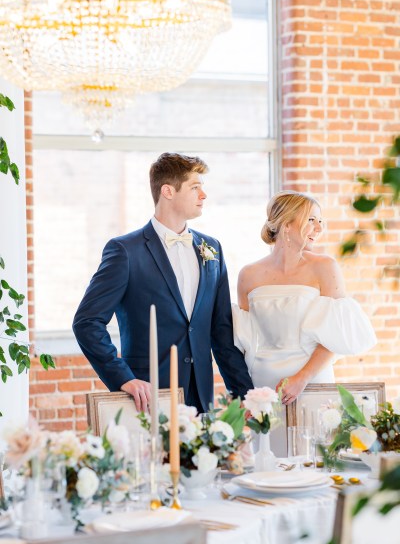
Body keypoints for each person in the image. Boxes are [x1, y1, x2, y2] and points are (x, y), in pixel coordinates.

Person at [73, 152, 253, 414]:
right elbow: (87, 322)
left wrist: (246, 395)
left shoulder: (212, 248)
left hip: (202, 397)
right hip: (149, 395)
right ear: (168, 191)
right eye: (195, 188)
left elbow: (221, 331)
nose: (203, 196)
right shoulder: (125, 251)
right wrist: (122, 377)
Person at [233, 190, 377, 454]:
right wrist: (244, 395)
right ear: (287, 223)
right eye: (312, 219)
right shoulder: (248, 275)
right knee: (268, 460)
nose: (319, 228)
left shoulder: (325, 267)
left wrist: (302, 377)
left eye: (320, 221)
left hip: (312, 380)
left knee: (315, 457)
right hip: (265, 386)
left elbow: (335, 336)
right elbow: (244, 342)